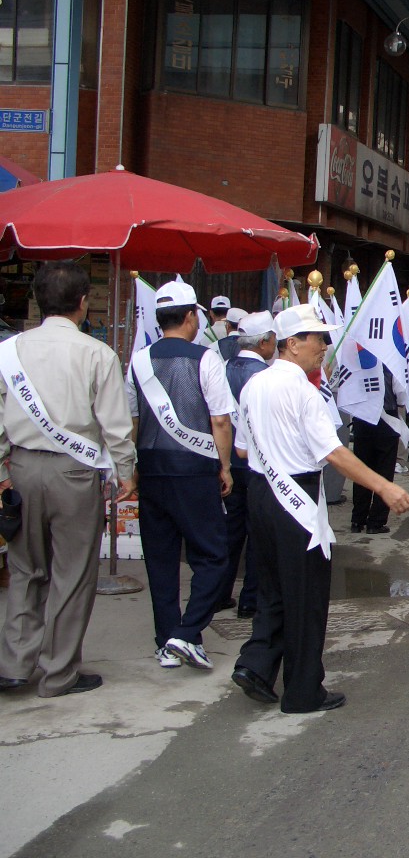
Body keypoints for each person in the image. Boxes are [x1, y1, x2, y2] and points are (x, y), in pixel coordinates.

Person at [231, 305, 409, 713]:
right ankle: (302, 691)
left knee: (273, 589)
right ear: (292, 344)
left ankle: (256, 665)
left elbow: (242, 449)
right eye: (318, 338)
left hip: (261, 493)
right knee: (306, 597)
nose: (325, 346)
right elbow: (333, 453)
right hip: (294, 497)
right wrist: (384, 486)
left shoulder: (254, 385)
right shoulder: (302, 391)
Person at [0, 261, 136, 698]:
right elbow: (115, 426)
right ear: (82, 302)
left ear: (38, 301)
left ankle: (14, 664)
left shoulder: (9, 351)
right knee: (72, 573)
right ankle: (58, 673)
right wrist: (125, 472)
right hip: (75, 473)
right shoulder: (97, 354)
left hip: (21, 468)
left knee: (25, 568)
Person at [128, 280, 236, 672]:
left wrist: (133, 468)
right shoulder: (206, 358)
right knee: (213, 555)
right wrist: (224, 466)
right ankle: (187, 633)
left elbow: (133, 420)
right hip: (195, 470)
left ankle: (166, 642)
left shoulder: (139, 360)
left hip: (151, 469)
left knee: (160, 560)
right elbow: (220, 420)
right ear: (191, 316)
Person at [219, 310, 275, 620]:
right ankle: (250, 599)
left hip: (226, 462)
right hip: (255, 463)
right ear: (264, 342)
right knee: (258, 535)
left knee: (229, 530)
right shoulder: (264, 376)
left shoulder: (223, 367)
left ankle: (219, 593)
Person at [349, 365, 401, 535]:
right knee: (384, 472)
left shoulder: (358, 363)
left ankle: (357, 519)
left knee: (361, 471)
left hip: (362, 419)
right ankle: (376, 522)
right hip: (386, 421)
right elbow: (401, 394)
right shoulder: (391, 363)